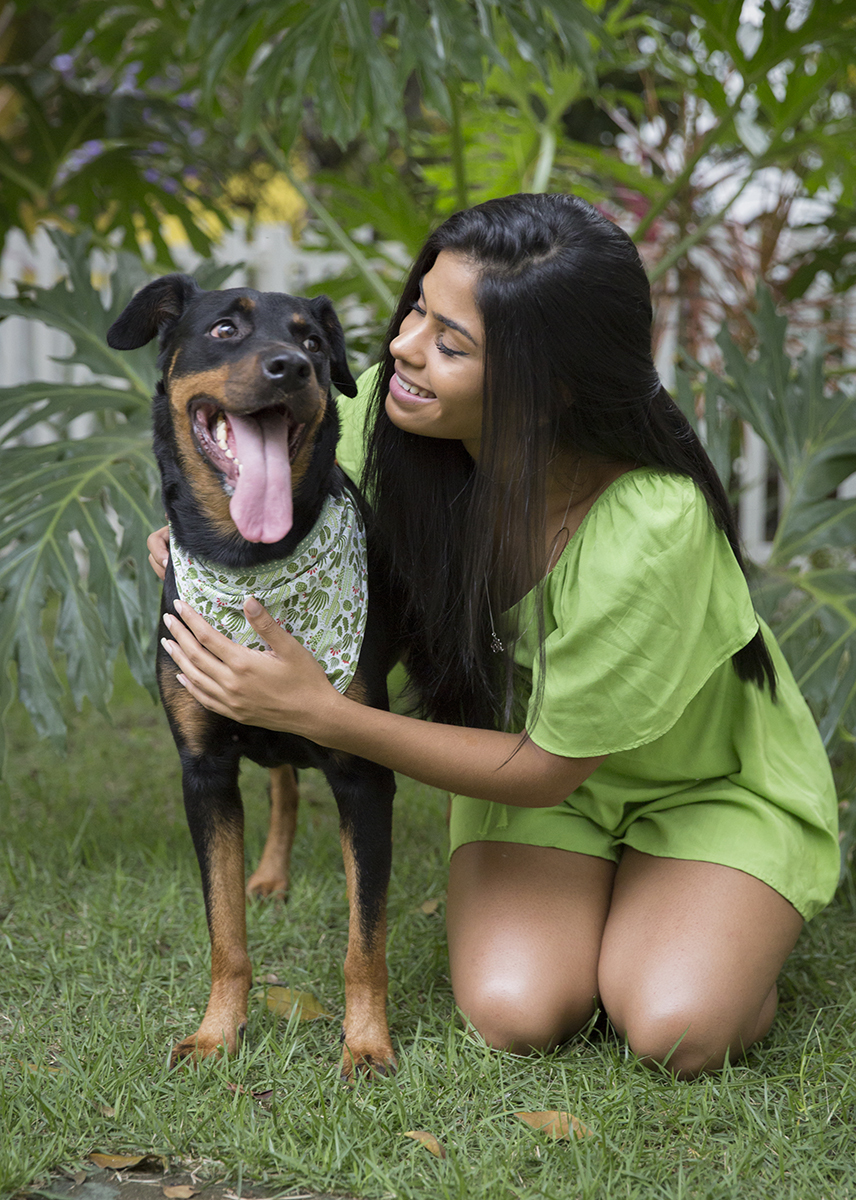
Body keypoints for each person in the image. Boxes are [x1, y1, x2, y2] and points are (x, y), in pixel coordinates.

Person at [150, 192, 839, 1078]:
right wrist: (188, 541)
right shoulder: (383, 422)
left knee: (675, 1026)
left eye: (450, 343)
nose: (401, 350)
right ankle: (634, 912)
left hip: (698, 786)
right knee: (517, 1010)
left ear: (544, 385)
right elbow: (233, 466)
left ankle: (716, 920)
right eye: (416, 313)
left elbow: (554, 763)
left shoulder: (652, 524)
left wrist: (321, 715)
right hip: (520, 779)